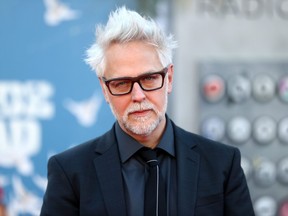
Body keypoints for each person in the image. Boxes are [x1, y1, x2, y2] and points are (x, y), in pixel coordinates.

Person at [40, 6, 255, 216]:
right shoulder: (70, 172)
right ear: (105, 90)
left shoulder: (222, 164)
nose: (138, 95)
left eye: (149, 78)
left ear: (168, 78)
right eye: (122, 83)